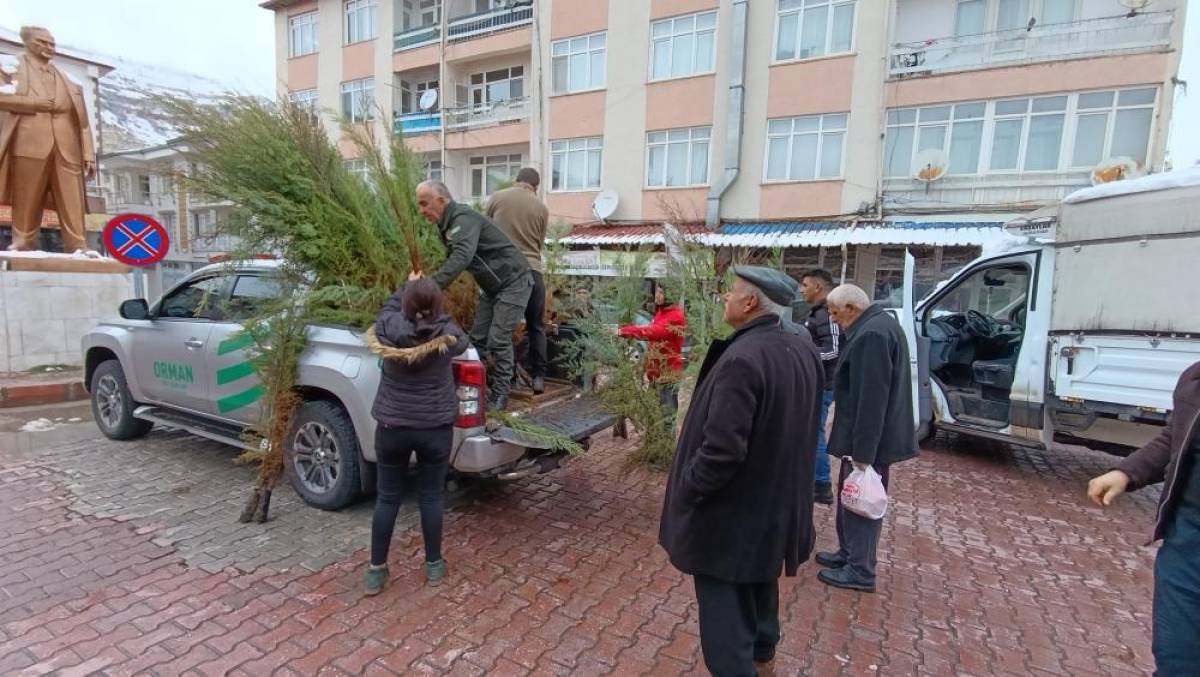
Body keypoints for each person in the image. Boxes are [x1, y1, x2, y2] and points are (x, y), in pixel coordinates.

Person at [660, 266, 822, 677]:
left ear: (750, 302)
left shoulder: (744, 359)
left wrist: (688, 488)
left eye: (731, 292)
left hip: (730, 521)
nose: (724, 298)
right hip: (773, 509)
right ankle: (764, 659)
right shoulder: (798, 346)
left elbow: (721, 452)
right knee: (760, 587)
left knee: (726, 629)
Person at [1087, 361, 1200, 674]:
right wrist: (1127, 472)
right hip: (1187, 545)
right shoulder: (1194, 379)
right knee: (1176, 659)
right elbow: (1175, 437)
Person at [364, 276, 469, 595]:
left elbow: (387, 311)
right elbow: (463, 339)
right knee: (431, 497)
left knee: (387, 498)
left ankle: (376, 572)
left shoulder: (388, 328)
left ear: (405, 305)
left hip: (392, 428)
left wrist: (405, 288)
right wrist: (435, 310)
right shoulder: (447, 333)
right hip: (434, 429)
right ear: (437, 306)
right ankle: (434, 565)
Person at [816, 283, 917, 593]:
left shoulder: (872, 335)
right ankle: (849, 554)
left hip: (868, 441)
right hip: (866, 438)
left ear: (852, 309)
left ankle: (860, 569)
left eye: (835, 313)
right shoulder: (878, 325)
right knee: (852, 496)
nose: (833, 320)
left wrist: (864, 452)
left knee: (863, 500)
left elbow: (872, 398)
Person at [416, 180, 532, 410]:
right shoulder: (448, 225)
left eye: (424, 204)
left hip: (514, 281)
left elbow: (462, 257)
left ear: (441, 200)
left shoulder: (463, 219)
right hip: (492, 287)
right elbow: (452, 260)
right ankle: (475, 388)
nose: (421, 210)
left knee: (498, 339)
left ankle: (501, 394)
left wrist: (431, 286)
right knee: (476, 340)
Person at [0, 25, 96, 253]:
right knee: (27, 195)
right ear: (27, 42)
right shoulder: (9, 67)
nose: (49, 47)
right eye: (42, 42)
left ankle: (78, 244)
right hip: (28, 142)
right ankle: (23, 241)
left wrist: (88, 152)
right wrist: (34, 104)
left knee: (72, 198)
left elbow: (82, 121)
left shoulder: (68, 78)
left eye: (52, 43)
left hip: (67, 146)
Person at [487, 168, 550, 394]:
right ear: (536, 186)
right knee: (536, 326)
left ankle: (506, 376)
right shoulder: (541, 208)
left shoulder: (497, 198)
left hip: (503, 271)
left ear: (516, 181)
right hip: (532, 269)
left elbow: (486, 229)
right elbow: (538, 244)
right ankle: (539, 377)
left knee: (502, 326)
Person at [801, 269, 840, 505]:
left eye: (805, 285)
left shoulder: (827, 313)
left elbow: (833, 350)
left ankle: (822, 485)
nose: (802, 290)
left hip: (823, 384)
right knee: (810, 432)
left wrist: (804, 352)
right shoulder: (816, 313)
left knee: (816, 433)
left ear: (818, 287)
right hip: (814, 381)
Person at [618, 282, 687, 413]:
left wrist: (624, 331)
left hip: (668, 377)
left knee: (666, 417)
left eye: (661, 292)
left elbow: (652, 332)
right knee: (653, 415)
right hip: (656, 375)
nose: (657, 295)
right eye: (657, 291)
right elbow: (654, 343)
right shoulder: (661, 313)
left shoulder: (676, 316)